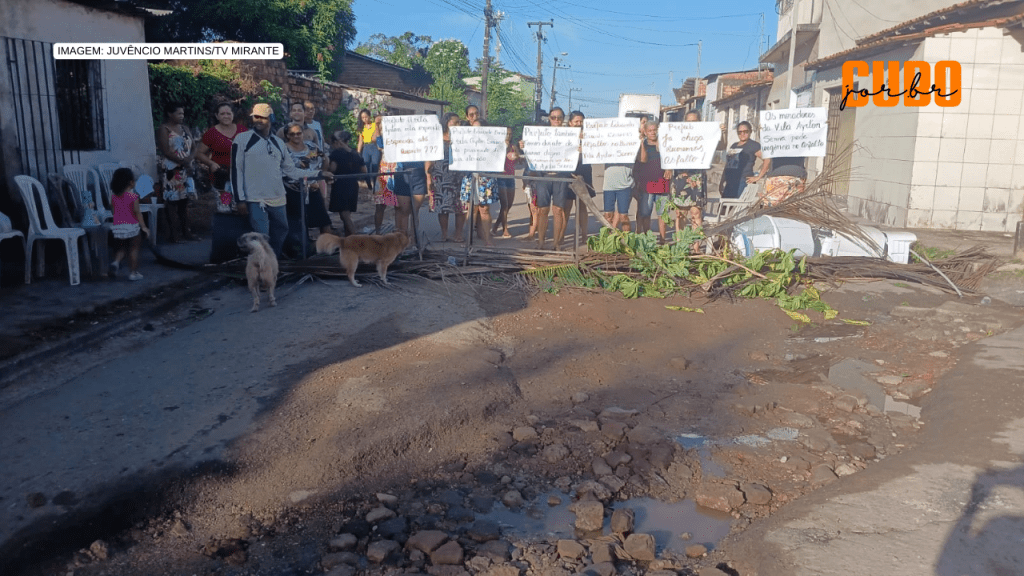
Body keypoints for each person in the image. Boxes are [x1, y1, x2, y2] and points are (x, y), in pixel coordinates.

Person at [231, 103, 331, 258]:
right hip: (256, 198)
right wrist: (240, 200)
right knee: (261, 235)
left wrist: (318, 173)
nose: (258, 120)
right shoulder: (242, 139)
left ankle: (273, 261)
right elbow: (236, 170)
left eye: (262, 117)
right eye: (255, 117)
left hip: (278, 198)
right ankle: (263, 267)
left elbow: (291, 170)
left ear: (270, 118)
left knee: (282, 230)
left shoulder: (278, 143)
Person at [522, 107, 573, 250]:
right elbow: (530, 149)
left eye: (559, 117)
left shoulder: (570, 135)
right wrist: (524, 146)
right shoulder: (540, 134)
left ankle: (556, 243)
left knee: (558, 210)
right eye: (553, 117)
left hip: (561, 176)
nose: (556, 120)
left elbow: (576, 151)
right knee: (542, 210)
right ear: (549, 119)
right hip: (542, 176)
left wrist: (579, 146)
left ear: (563, 119)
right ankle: (541, 242)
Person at [282, 121, 333, 256]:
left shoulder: (311, 146)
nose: (296, 136)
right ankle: (302, 254)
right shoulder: (283, 149)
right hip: (293, 191)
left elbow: (325, 159)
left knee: (324, 221)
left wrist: (322, 174)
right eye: (292, 134)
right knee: (298, 223)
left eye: (299, 133)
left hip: (313, 189)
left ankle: (326, 251)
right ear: (287, 135)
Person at [156, 101, 197, 242]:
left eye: (183, 113)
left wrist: (190, 159)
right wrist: (183, 162)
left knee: (185, 202)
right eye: (179, 113)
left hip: (186, 170)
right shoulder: (164, 129)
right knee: (172, 202)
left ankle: (187, 232)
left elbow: (194, 147)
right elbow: (165, 151)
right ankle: (174, 234)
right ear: (170, 114)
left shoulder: (185, 128)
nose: (182, 116)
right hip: (172, 170)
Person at [196, 102, 247, 213]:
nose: (226, 116)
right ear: (217, 116)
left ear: (233, 115)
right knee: (225, 208)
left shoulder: (243, 131)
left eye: (228, 113)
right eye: (222, 114)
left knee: (241, 208)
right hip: (222, 178)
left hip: (240, 177)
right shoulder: (211, 133)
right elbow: (198, 153)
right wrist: (211, 163)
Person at [426, 112, 465, 242]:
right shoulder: (436, 138)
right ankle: (444, 234)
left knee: (461, 206)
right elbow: (429, 158)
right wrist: (428, 177)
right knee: (443, 207)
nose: (458, 124)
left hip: (459, 176)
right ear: (447, 122)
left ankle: (458, 234)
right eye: (456, 121)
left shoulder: (463, 138)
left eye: (459, 122)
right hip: (441, 176)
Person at [107, 167, 149, 281]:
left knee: (121, 248)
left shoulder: (113, 197)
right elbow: (137, 213)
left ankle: (116, 262)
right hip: (132, 227)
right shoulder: (133, 197)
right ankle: (133, 273)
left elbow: (113, 212)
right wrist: (144, 227)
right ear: (131, 182)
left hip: (118, 227)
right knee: (133, 249)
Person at [459, 119, 496, 247]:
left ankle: (488, 239)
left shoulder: (492, 142)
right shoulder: (465, 142)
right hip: (470, 177)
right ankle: (469, 240)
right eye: (473, 128)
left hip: (485, 178)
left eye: (479, 128)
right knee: (471, 209)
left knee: (484, 209)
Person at [633, 118, 673, 238]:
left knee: (662, 214)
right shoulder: (641, 145)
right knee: (645, 213)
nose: (652, 132)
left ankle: (662, 239)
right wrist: (641, 142)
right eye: (649, 130)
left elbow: (672, 159)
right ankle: (648, 238)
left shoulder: (665, 144)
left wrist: (669, 169)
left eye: (654, 130)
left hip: (663, 185)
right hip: (647, 185)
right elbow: (642, 159)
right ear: (645, 132)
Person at [671, 110, 708, 233]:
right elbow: (667, 150)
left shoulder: (705, 135)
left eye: (694, 121)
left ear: (699, 122)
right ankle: (681, 244)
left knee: (696, 212)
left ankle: (696, 247)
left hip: (697, 177)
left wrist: (721, 133)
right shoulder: (676, 135)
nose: (691, 124)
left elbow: (721, 146)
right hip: (680, 177)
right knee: (680, 214)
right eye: (689, 121)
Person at [327, 130, 365, 236]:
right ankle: (348, 238)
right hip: (353, 185)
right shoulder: (355, 154)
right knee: (346, 213)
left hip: (340, 185)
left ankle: (355, 238)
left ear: (339, 142)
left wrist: (326, 167)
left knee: (344, 215)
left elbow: (332, 169)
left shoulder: (336, 153)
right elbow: (364, 170)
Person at [568, 110, 594, 246]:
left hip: (584, 171)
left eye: (581, 121)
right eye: (576, 121)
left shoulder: (589, 136)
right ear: (570, 123)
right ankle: (563, 236)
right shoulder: (562, 135)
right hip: (567, 171)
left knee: (582, 205)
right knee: (566, 206)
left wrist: (586, 144)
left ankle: (584, 235)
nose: (579, 124)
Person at [720, 121, 763, 199]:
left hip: (743, 182)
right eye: (740, 132)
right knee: (723, 208)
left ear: (750, 131)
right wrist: (722, 181)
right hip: (730, 182)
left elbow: (767, 160)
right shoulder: (734, 145)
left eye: (745, 132)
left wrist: (759, 176)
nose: (742, 134)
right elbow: (728, 165)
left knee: (740, 208)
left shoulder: (753, 145)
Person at [374, 112, 399, 235]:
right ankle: (378, 232)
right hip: (384, 169)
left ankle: (399, 231)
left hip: (397, 168)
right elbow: (379, 145)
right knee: (380, 204)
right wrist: (376, 127)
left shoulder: (399, 134)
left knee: (399, 203)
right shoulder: (380, 135)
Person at [491, 127, 519, 238]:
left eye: (510, 134)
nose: (508, 136)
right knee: (504, 204)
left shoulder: (513, 147)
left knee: (509, 205)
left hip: (511, 177)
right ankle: (505, 229)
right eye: (506, 133)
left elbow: (518, 161)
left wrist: (517, 156)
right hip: (501, 177)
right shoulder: (498, 147)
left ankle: (495, 227)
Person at [357, 108, 380, 189]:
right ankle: (369, 185)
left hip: (374, 147)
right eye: (362, 118)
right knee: (365, 166)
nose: (364, 119)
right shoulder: (362, 128)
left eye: (366, 117)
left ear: (369, 116)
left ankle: (374, 183)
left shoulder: (375, 125)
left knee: (375, 166)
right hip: (366, 148)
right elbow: (360, 141)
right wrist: (358, 153)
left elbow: (376, 138)